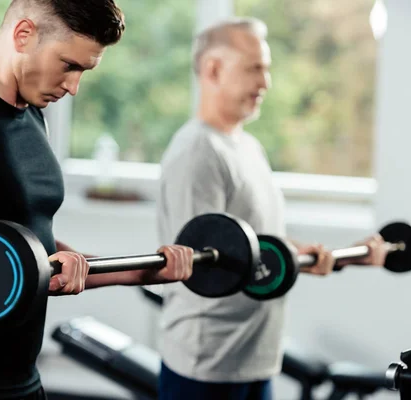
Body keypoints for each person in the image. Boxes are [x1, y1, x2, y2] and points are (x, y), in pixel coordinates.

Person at [0, 1, 195, 399]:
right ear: (24, 34)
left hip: (19, 383)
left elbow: (33, 251)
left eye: (83, 70)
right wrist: (27, 274)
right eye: (68, 65)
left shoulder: (31, 116)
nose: (73, 86)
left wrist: (147, 270)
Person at [156, 17, 388, 400]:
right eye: (255, 69)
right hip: (207, 362)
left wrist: (333, 257)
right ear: (214, 69)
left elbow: (258, 241)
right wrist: (299, 261)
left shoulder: (246, 147)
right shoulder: (198, 152)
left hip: (253, 353)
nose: (265, 83)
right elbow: (204, 266)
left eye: (267, 69)